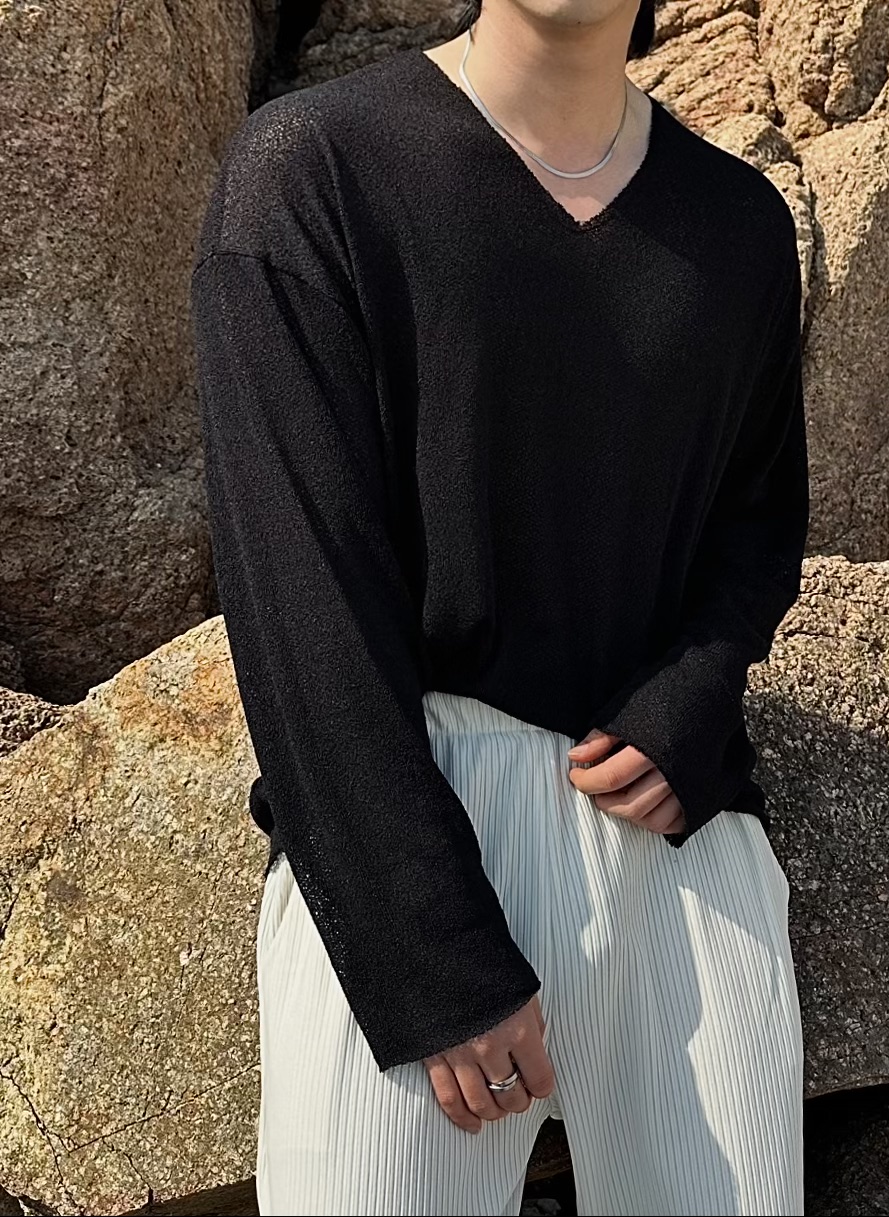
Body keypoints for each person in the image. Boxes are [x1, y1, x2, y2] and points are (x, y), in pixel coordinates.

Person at [189, 1, 810, 1213]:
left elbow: (757, 525)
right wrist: (424, 948)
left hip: (675, 845)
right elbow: (295, 591)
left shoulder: (737, 223)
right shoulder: (312, 171)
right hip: (411, 819)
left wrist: (688, 699)